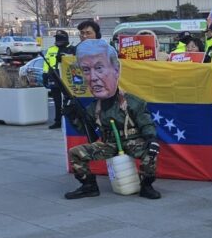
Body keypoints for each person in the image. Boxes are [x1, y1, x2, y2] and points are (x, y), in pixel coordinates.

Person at [64, 39, 162, 199]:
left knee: (150, 152)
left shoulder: (132, 102)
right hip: (108, 144)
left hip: (132, 142)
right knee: (75, 153)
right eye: (86, 70)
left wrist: (151, 139)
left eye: (99, 68)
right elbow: (86, 130)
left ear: (116, 70)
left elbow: (146, 123)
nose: (93, 78)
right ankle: (88, 185)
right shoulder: (93, 107)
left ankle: (146, 185)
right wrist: (72, 115)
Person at [44, 31, 76, 129]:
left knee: (69, 101)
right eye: (57, 38)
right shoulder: (51, 49)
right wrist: (44, 75)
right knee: (57, 102)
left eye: (60, 38)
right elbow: (46, 63)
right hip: (54, 77)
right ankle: (57, 121)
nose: (58, 40)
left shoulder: (71, 49)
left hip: (67, 78)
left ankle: (70, 121)